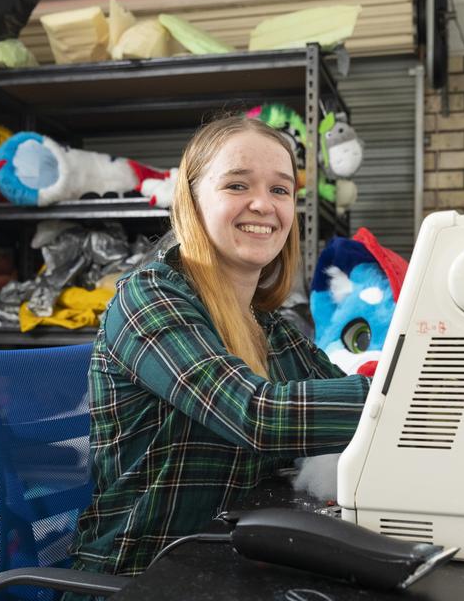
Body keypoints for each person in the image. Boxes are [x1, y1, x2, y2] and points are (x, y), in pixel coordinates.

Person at [68, 114, 371, 581]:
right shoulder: (147, 299)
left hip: (228, 566)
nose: (263, 205)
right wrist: (410, 394)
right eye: (237, 185)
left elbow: (343, 401)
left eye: (280, 190)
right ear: (191, 200)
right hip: (138, 580)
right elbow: (256, 415)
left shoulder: (269, 326)